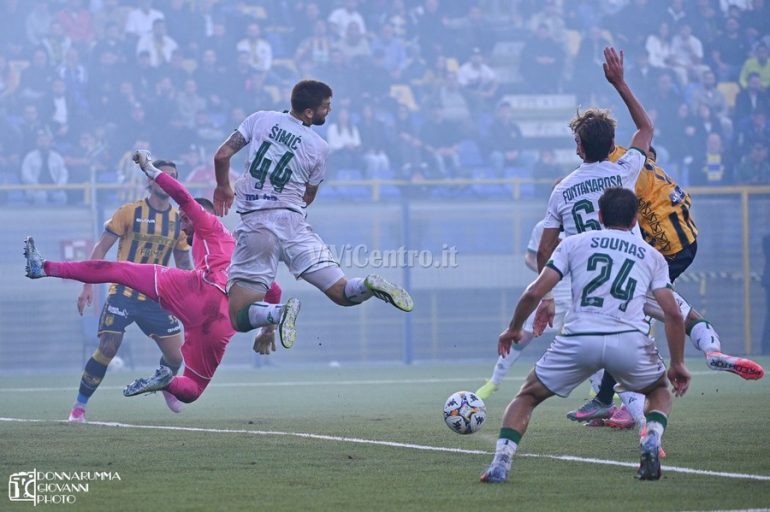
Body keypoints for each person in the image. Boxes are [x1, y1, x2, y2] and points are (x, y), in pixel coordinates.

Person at [535, 48, 763, 429]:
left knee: (608, 342)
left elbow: (545, 246)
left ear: (578, 148)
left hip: (591, 278)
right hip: (635, 262)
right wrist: (620, 83)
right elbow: (646, 128)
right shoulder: (624, 169)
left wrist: (545, 294)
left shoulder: (562, 188)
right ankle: (712, 352)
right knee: (679, 313)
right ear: (612, 145)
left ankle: (622, 408)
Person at [24, 150, 283, 405]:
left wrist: (149, 167)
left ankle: (43, 268)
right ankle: (168, 381)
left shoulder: (208, 222)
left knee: (117, 270)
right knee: (193, 389)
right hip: (221, 321)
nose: (182, 226)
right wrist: (267, 331)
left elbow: (181, 196)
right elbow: (274, 289)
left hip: (199, 290)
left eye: (184, 220)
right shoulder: (238, 251)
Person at [480, 187, 691, 483]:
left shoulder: (574, 243)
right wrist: (678, 362)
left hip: (579, 338)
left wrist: (514, 328)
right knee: (658, 391)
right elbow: (672, 312)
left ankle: (500, 463)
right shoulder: (653, 256)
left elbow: (534, 292)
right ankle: (651, 440)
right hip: (630, 340)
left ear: (600, 216)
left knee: (526, 396)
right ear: (635, 222)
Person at [212, 80, 413, 349]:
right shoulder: (319, 147)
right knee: (342, 293)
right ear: (309, 112)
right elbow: (309, 195)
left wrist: (224, 186)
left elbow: (222, 155)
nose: (328, 111)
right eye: (325, 107)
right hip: (294, 226)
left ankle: (278, 313)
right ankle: (366, 283)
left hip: (257, 226)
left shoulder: (260, 119)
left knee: (238, 316)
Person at [66, 158, 192, 423]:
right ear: (151, 180)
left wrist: (191, 296)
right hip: (123, 294)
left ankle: (166, 385)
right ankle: (79, 407)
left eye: (173, 176)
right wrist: (87, 284)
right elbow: (100, 250)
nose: (167, 179)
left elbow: (183, 264)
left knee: (176, 356)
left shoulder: (178, 221)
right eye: (162, 175)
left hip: (157, 297)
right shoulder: (129, 212)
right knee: (108, 348)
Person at [475, 218, 571, 400]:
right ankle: (494, 382)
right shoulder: (543, 227)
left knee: (586, 335)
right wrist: (549, 272)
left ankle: (600, 390)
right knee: (521, 336)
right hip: (550, 290)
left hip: (577, 290)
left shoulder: (582, 224)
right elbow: (530, 256)